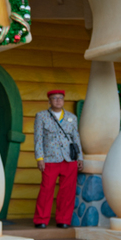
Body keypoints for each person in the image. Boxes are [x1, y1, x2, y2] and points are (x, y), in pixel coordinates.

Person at [33, 89, 83, 229]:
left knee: (67, 192)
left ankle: (63, 220)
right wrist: (40, 158)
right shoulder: (41, 116)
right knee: (46, 189)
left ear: (63, 100)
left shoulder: (72, 117)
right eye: (54, 98)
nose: (58, 100)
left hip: (69, 159)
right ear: (49, 101)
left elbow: (76, 138)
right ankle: (41, 219)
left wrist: (79, 157)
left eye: (60, 98)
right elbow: (38, 138)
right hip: (50, 159)